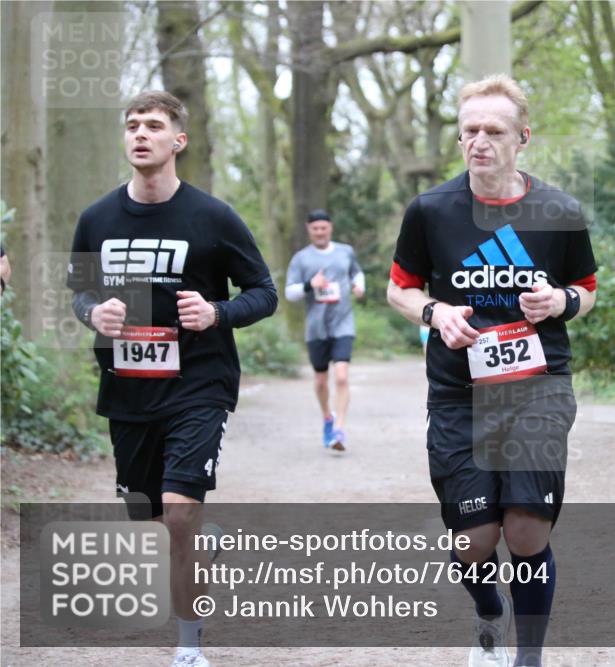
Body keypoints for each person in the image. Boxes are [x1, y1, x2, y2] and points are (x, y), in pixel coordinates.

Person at [387, 74, 597, 667]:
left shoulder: (558, 210)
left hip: (537, 390)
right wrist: (435, 313)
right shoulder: (430, 211)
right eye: (470, 130)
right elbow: (399, 289)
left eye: (494, 131)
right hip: (460, 395)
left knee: (527, 532)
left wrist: (559, 301)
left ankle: (529, 658)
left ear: (522, 138)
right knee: (474, 543)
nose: (479, 141)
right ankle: (487, 610)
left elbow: (586, 289)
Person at [66, 90, 278, 667]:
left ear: (178, 140)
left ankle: (188, 647)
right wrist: (94, 313)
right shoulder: (97, 218)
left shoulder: (212, 217)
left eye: (154, 126)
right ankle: (200, 545)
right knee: (155, 526)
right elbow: (80, 292)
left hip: (198, 384)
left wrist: (217, 313)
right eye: (133, 125)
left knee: (180, 513)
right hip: (128, 387)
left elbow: (264, 293)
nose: (140, 133)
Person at [284, 209, 365, 450]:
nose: (320, 232)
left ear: (330, 228)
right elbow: (289, 293)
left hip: (343, 324)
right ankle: (327, 417)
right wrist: (310, 284)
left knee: (341, 376)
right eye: (315, 228)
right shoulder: (301, 259)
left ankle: (339, 429)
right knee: (321, 381)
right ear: (309, 230)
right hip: (316, 329)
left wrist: (359, 286)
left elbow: (357, 272)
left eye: (323, 228)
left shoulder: (345, 251)